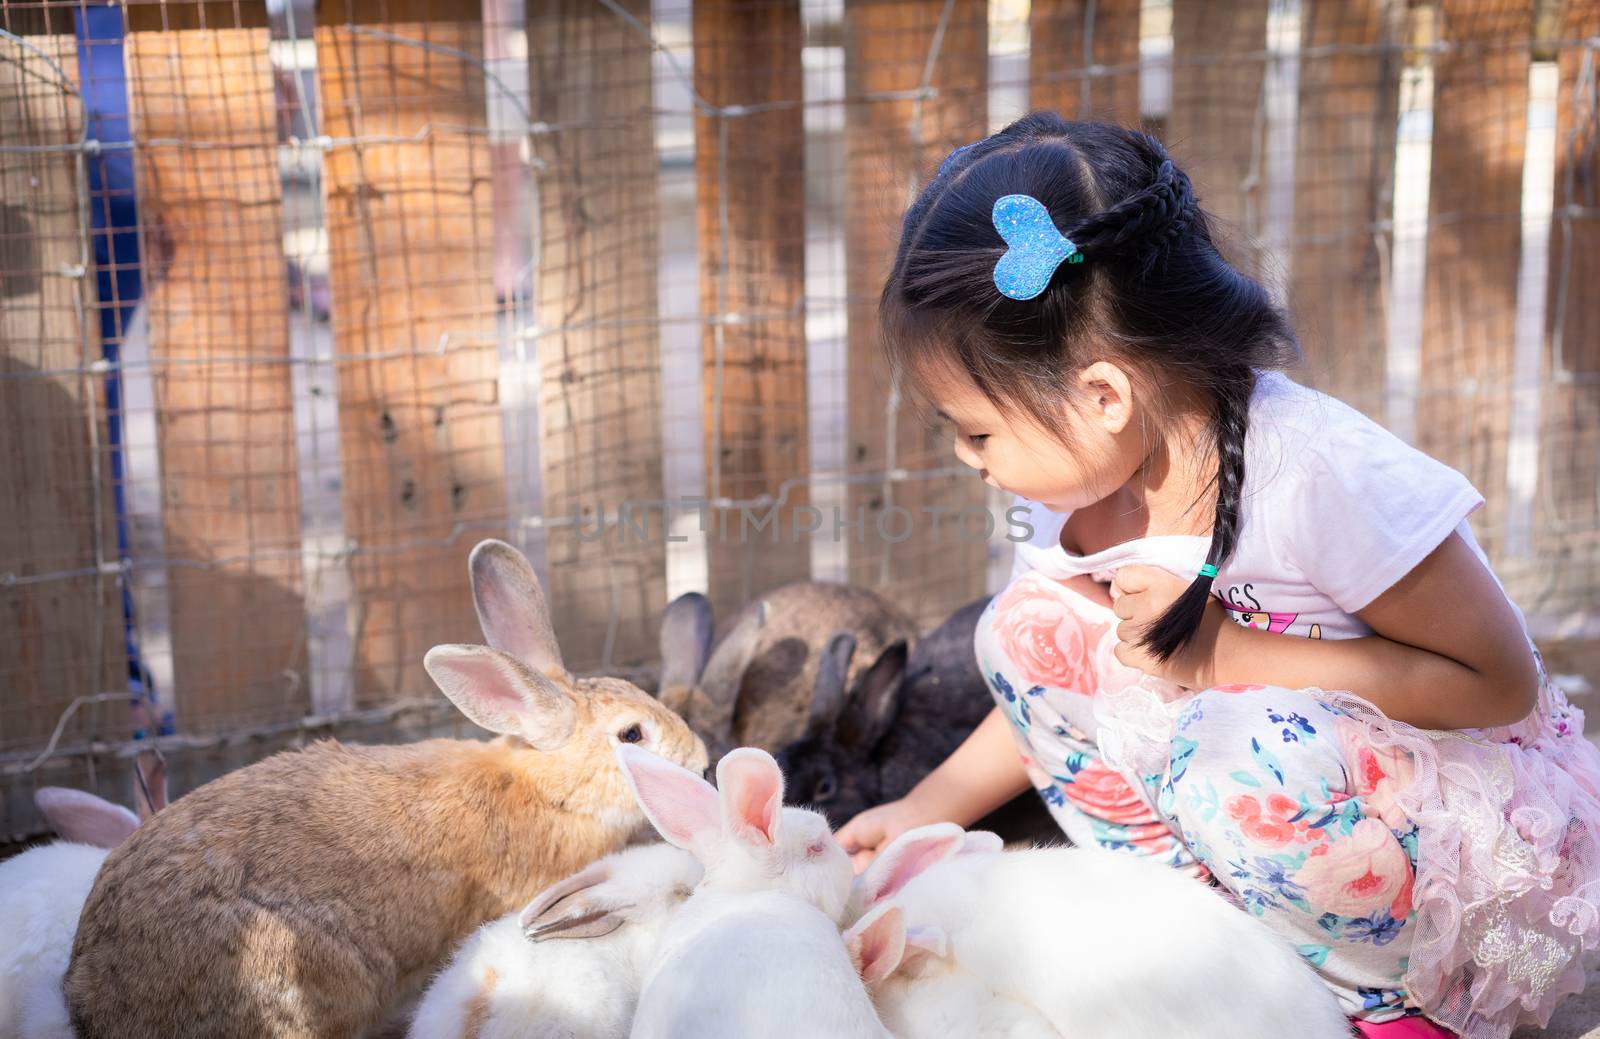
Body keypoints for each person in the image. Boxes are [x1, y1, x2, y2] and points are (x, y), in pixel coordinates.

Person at [835, 113, 1600, 1039]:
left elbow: (1499, 683)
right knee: (1025, 631)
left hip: (1476, 886)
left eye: (976, 430)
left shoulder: (1315, 474)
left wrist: (1226, 652)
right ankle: (1226, 955)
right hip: (1281, 829)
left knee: (1231, 757)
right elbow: (1070, 688)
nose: (967, 457)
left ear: (1104, 396)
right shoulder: (1076, 487)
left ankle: (1390, 1007)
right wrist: (928, 805)